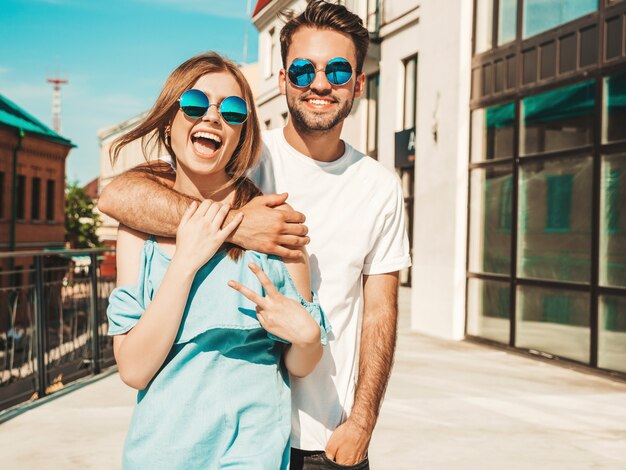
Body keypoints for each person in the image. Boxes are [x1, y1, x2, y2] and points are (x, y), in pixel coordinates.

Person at [99, 1, 411, 469]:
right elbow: (120, 195)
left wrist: (363, 421)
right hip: (234, 438)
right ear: (283, 79)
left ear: (359, 83)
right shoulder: (238, 160)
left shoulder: (380, 187)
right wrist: (241, 224)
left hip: (324, 437)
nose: (320, 84)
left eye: (339, 70)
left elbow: (380, 312)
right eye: (303, 70)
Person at [105, 52, 329, 469]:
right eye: (194, 104)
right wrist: (186, 260)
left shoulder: (275, 226)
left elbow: (300, 365)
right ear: (170, 120)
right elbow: (134, 370)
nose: (212, 118)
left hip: (252, 457)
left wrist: (307, 337)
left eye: (231, 110)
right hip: (158, 456)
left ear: (242, 134)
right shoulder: (137, 232)